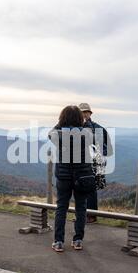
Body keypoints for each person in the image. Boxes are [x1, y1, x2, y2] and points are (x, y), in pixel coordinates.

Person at [49, 105, 95, 253]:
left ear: (62, 119)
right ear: (79, 118)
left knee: (61, 207)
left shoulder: (58, 134)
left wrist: (61, 122)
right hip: (82, 176)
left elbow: (50, 133)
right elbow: (91, 130)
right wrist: (85, 121)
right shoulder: (86, 133)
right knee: (81, 208)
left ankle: (58, 242)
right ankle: (78, 240)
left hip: (63, 176)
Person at [78, 103, 113, 223]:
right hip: (82, 162)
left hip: (93, 162)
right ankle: (83, 215)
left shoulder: (96, 128)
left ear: (89, 113)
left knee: (90, 188)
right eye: (81, 112)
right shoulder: (77, 128)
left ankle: (92, 215)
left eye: (85, 112)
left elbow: (105, 148)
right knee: (81, 187)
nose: (83, 114)